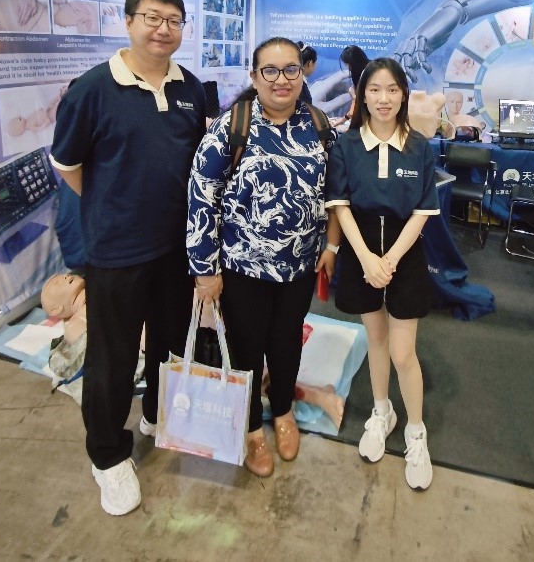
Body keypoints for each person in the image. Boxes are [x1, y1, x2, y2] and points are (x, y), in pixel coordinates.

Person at [50, 0, 207, 517]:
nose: (163, 29)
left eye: (174, 21)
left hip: (176, 249)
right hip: (116, 249)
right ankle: (108, 456)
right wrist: (109, 203)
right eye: (152, 18)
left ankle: (158, 415)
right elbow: (68, 165)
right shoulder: (93, 89)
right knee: (113, 357)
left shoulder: (191, 89)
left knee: (170, 343)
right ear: (128, 22)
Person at [186, 37, 340, 478]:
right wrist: (204, 270)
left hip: (300, 265)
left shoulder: (318, 125)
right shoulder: (231, 128)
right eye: (269, 71)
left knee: (287, 339)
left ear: (302, 74)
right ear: (254, 77)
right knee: (247, 346)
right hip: (242, 267)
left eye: (291, 69)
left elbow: (334, 194)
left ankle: (284, 409)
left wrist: (329, 247)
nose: (281, 79)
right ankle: (252, 426)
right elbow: (202, 198)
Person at [325, 57, 439, 490]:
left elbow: (422, 212)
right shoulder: (347, 145)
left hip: (404, 252)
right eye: (374, 89)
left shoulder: (420, 147)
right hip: (361, 251)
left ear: (404, 94)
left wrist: (389, 259)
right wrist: (367, 259)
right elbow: (341, 205)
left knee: (403, 352)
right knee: (375, 340)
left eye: (392, 89)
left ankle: (416, 431)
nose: (383, 98)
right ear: (362, 95)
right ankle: (381, 411)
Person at [331, 44, 371, 128]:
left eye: (347, 64)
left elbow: (356, 107)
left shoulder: (364, 76)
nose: (347, 67)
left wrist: (353, 96)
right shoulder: (373, 67)